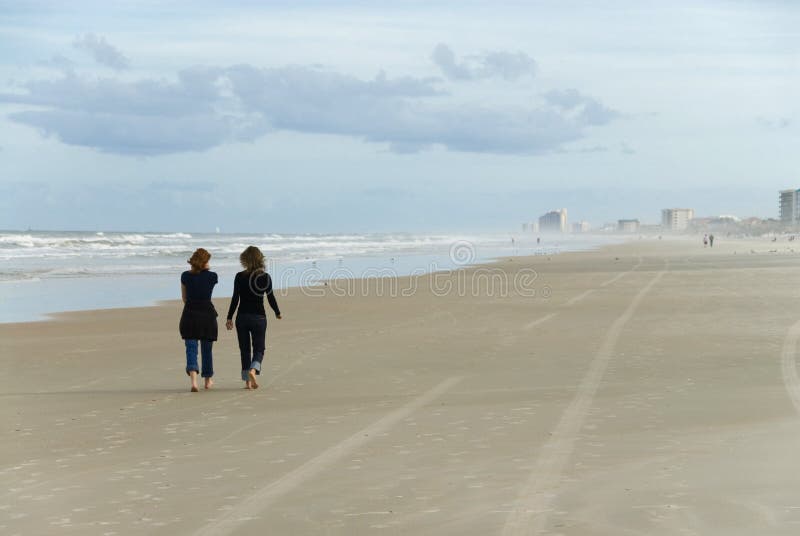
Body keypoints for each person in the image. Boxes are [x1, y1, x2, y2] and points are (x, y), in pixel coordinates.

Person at [226, 246, 282, 390]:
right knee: (259, 348)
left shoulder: (239, 276)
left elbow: (235, 299)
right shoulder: (265, 277)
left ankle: (247, 382)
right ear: (260, 259)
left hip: (242, 317)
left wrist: (229, 317)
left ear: (244, 260)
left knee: (244, 350)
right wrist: (277, 312)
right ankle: (253, 370)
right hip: (259, 318)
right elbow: (270, 297)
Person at [179, 248, 218, 392]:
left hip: (189, 315)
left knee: (191, 348)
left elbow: (184, 298)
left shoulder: (185, 276)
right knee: (207, 350)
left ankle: (194, 381)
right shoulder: (212, 276)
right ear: (205, 262)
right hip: (207, 316)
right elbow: (207, 277)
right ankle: (207, 381)